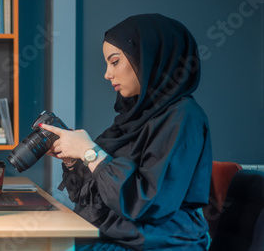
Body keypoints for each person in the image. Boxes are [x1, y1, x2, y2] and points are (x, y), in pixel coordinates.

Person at [40, 13, 213, 251]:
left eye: (114, 61)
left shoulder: (183, 116)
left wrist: (90, 152)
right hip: (115, 235)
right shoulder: (134, 118)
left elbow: (146, 203)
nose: (107, 74)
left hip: (156, 244)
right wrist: (72, 160)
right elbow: (93, 197)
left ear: (148, 58)